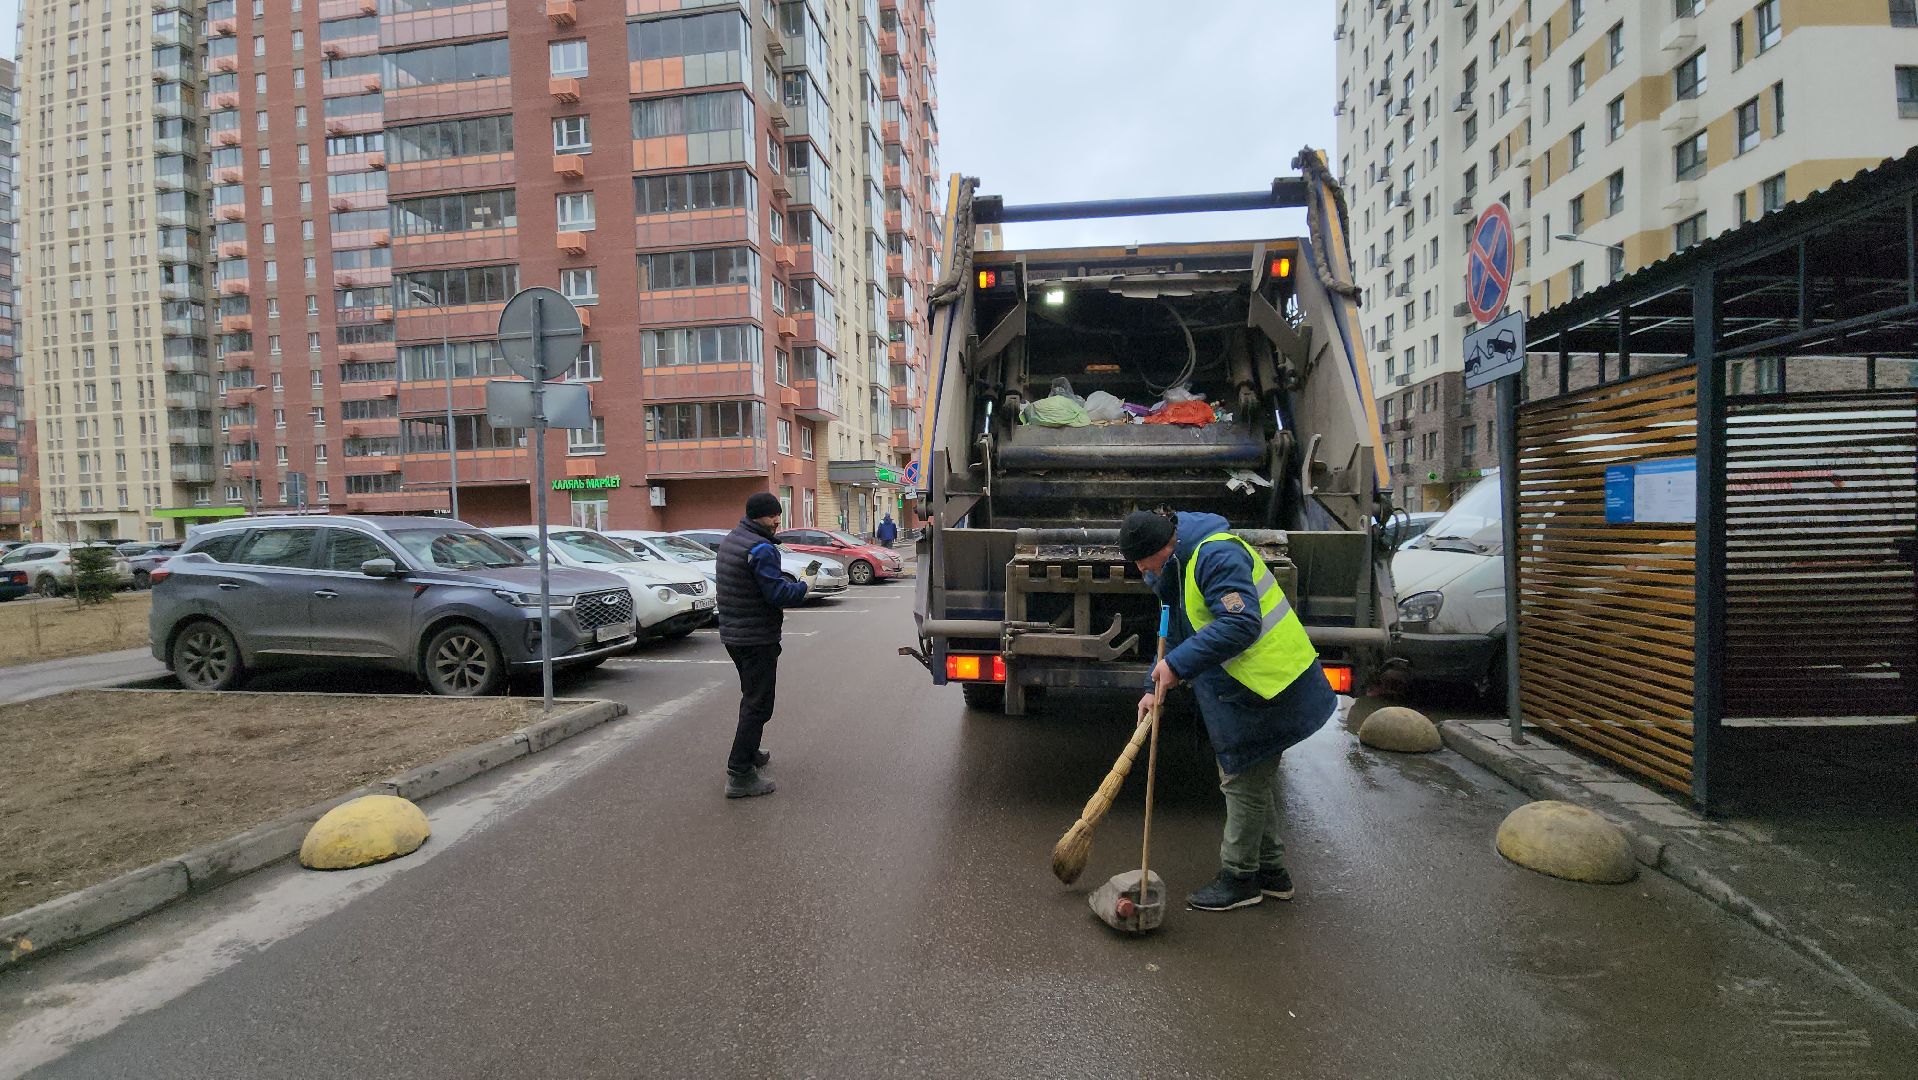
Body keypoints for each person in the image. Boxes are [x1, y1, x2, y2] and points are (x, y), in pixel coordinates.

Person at [1117, 508, 1337, 911]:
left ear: (1164, 546)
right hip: (1248, 685)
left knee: (1241, 779)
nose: (1141, 569)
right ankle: (1271, 873)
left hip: (1272, 683)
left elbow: (1240, 622)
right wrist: (1153, 684)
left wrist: (1177, 667)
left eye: (1143, 560)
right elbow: (1176, 632)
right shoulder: (1177, 564)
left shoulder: (1217, 556)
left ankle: (1240, 878)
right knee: (1252, 776)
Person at [715, 492, 813, 799]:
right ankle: (739, 773)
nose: (777, 521)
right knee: (758, 705)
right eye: (773, 516)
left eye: (778, 515)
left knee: (751, 696)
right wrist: (804, 585)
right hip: (756, 637)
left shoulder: (734, 539)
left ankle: (751, 751)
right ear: (758, 516)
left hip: (735, 634)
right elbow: (777, 594)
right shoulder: (760, 548)